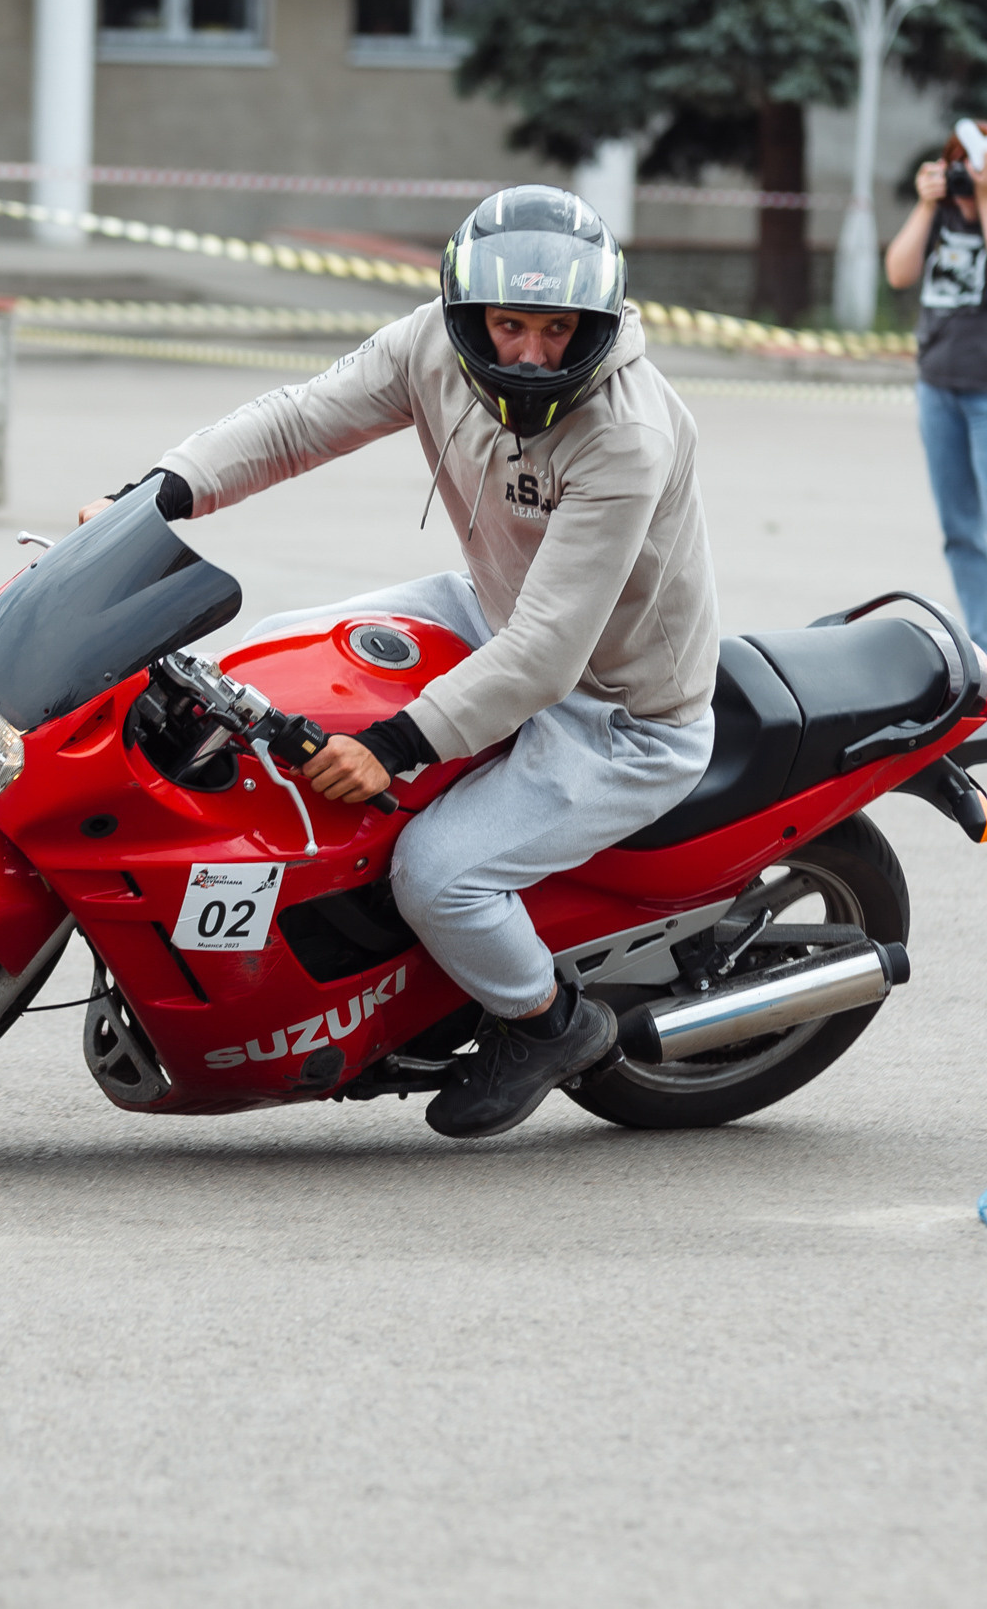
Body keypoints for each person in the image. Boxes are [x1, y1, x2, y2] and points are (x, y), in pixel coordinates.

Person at [74, 186, 718, 1142]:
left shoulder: (626, 432)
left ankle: (547, 1022)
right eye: (508, 326)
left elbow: (549, 652)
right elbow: (299, 422)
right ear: (468, 316)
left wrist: (395, 743)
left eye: (556, 328)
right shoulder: (429, 344)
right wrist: (157, 497)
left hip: (614, 709)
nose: (532, 354)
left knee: (437, 873)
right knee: (266, 657)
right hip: (493, 611)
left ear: (598, 321)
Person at [883, 118, 987, 697]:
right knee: (960, 528)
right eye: (956, 163)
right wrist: (925, 206)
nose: (965, 175)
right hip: (940, 386)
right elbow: (898, 271)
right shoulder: (940, 215)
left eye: (976, 165)